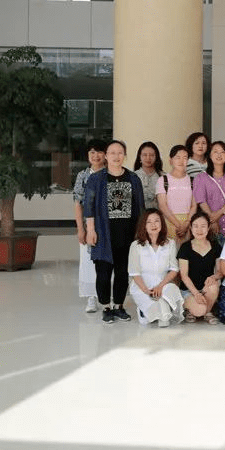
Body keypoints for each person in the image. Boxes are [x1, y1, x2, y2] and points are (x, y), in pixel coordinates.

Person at [84, 140, 145, 324]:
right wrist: (90, 230)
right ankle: (105, 307)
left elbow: (140, 208)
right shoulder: (96, 179)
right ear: (106, 156)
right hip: (103, 232)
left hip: (126, 232)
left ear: (124, 155)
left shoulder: (133, 178)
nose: (116, 156)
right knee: (103, 271)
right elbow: (89, 206)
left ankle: (119, 305)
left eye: (120, 153)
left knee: (122, 271)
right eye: (112, 153)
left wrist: (139, 233)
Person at [127, 208, 183, 327]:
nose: (153, 225)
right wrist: (146, 290)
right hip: (142, 287)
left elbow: (174, 269)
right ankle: (144, 310)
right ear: (144, 225)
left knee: (164, 321)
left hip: (163, 285)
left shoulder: (170, 244)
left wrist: (160, 286)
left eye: (157, 221)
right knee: (151, 319)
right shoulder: (136, 246)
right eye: (149, 222)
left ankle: (162, 305)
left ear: (162, 223)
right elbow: (134, 273)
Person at [73, 138, 106, 313]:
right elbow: (77, 202)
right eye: (92, 152)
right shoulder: (82, 176)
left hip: (107, 224)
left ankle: (108, 296)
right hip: (88, 224)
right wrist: (81, 229)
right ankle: (91, 297)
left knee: (108, 261)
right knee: (88, 261)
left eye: (99, 151)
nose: (96, 155)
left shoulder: (111, 173)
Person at [177, 211, 222, 324]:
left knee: (214, 285)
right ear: (191, 228)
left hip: (206, 289)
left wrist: (214, 277)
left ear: (208, 228)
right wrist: (196, 293)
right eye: (195, 226)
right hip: (189, 290)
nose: (199, 230)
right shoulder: (185, 247)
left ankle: (207, 312)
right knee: (199, 310)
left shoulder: (215, 246)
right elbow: (184, 275)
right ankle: (192, 310)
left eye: (203, 226)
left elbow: (220, 272)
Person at [193, 141, 225, 242]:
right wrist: (212, 220)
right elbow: (201, 201)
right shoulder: (201, 177)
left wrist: (216, 216)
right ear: (210, 156)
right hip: (210, 229)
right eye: (215, 152)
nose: (219, 155)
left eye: (222, 152)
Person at [156, 144, 198, 244]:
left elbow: (194, 205)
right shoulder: (163, 180)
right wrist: (178, 225)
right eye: (177, 157)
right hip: (168, 222)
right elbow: (162, 206)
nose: (181, 161)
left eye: (185, 158)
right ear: (170, 160)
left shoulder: (192, 181)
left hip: (188, 223)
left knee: (185, 256)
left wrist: (186, 224)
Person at [132, 141, 163, 209]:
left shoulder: (163, 177)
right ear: (139, 157)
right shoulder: (133, 176)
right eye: (144, 155)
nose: (148, 158)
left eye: (151, 155)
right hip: (139, 217)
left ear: (156, 157)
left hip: (158, 217)